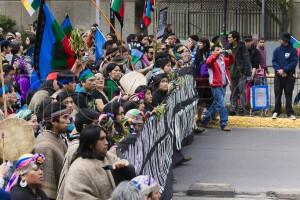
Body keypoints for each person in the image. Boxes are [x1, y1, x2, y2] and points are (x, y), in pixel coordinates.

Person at [63, 125, 134, 200]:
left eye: (106, 138)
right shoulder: (79, 169)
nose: (106, 142)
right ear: (90, 144)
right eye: (102, 139)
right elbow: (76, 197)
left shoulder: (109, 157)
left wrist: (125, 167)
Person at [56, 108, 100, 200]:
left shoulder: (86, 144)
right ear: (85, 126)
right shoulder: (77, 148)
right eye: (96, 124)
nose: (99, 127)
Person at [34, 103, 69, 199]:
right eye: (65, 117)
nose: (68, 121)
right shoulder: (44, 145)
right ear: (53, 121)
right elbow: (45, 186)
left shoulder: (58, 138)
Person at [200, 46, 233, 131]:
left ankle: (204, 120)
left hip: (223, 85)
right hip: (215, 85)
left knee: (216, 104)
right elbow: (208, 62)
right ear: (212, 52)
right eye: (217, 50)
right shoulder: (211, 60)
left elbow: (231, 61)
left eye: (220, 49)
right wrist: (217, 53)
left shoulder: (223, 59)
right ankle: (224, 123)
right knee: (222, 104)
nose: (220, 51)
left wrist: (231, 55)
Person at [272, 32, 298, 120]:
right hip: (278, 76)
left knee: (288, 94)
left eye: (281, 39)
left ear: (285, 40)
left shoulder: (293, 50)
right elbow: (274, 61)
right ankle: (276, 111)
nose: (280, 40)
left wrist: (284, 70)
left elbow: (294, 62)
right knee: (277, 94)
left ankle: (290, 112)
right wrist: (279, 69)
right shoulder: (277, 50)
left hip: (289, 76)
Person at [227, 31, 252, 115]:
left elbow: (246, 59)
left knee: (242, 91)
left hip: (241, 72)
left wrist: (247, 72)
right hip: (232, 72)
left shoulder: (242, 47)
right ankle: (233, 108)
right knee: (234, 91)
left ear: (235, 38)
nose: (228, 39)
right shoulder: (228, 47)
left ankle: (241, 108)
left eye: (230, 37)